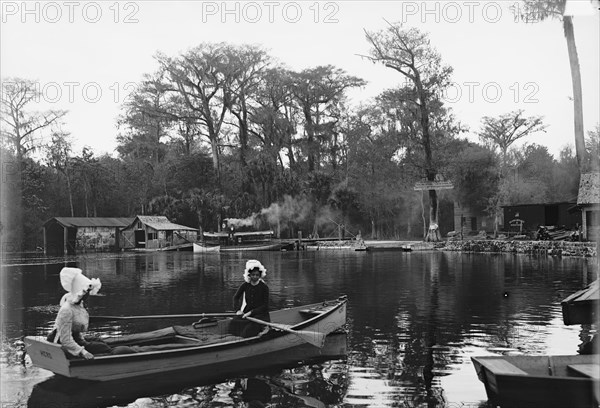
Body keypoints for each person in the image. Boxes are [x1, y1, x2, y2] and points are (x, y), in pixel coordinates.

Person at [47, 267, 134, 358]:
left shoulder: (78, 305)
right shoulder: (66, 309)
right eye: (86, 292)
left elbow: (75, 329)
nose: (88, 294)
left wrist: (83, 340)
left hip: (74, 338)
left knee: (98, 341)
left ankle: (110, 349)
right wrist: (83, 352)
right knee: (101, 347)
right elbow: (65, 340)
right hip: (61, 343)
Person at [230, 260, 270, 338]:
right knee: (234, 322)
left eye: (257, 275)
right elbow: (236, 297)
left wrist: (251, 312)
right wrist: (238, 310)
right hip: (247, 313)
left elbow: (265, 306)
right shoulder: (245, 285)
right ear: (249, 275)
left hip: (261, 314)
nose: (255, 277)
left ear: (260, 275)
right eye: (253, 275)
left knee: (248, 330)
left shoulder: (264, 287)